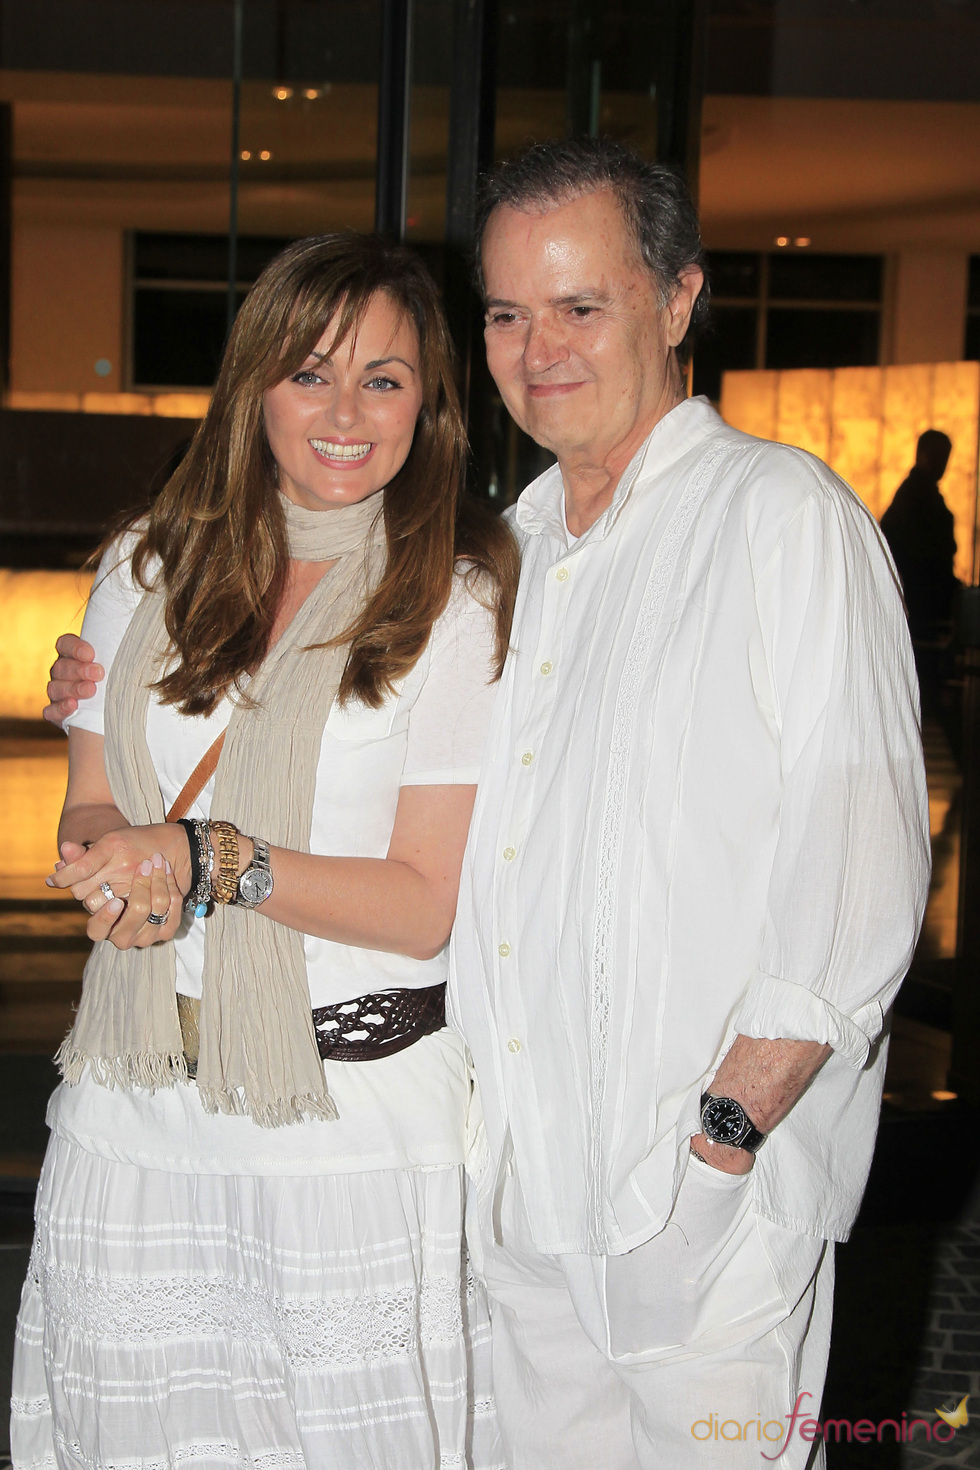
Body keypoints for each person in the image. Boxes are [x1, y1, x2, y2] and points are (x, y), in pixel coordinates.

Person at [44, 139, 932, 1470]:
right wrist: (101, 712)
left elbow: (862, 868)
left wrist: (728, 1136)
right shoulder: (510, 545)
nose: (541, 345)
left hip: (694, 1187)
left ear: (678, 299)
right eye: (510, 312)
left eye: (583, 304)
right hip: (517, 1186)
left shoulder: (778, 518)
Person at [15, 231, 517, 1470]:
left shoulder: (452, 602)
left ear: (428, 403)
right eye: (310, 372)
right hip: (134, 1111)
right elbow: (90, 801)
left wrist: (208, 860)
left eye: (385, 379)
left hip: (343, 1126)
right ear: (253, 388)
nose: (346, 414)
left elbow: (418, 909)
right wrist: (109, 869)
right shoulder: (146, 568)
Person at [880, 428, 957, 642]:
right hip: (918, 599)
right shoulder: (914, 497)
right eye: (936, 455)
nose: (941, 463)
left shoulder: (922, 495)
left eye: (944, 457)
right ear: (921, 454)